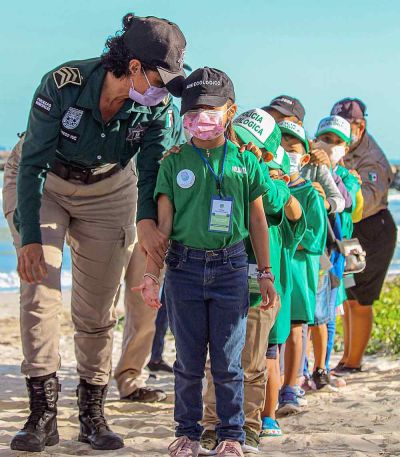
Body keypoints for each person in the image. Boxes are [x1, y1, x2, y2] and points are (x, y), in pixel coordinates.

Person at [7, 13, 187, 452]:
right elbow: (32, 163)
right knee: (39, 292)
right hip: (44, 180)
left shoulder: (159, 106)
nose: (164, 90)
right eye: (159, 78)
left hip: (110, 189)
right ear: (132, 67)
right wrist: (30, 235)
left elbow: (152, 172)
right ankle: (42, 415)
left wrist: (148, 227)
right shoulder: (63, 83)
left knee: (97, 306)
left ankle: (92, 415)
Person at [135, 67, 277, 457]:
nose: (202, 120)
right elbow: (162, 228)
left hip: (231, 268)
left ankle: (232, 436)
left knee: (229, 363)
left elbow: (257, 220)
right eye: (193, 113)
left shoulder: (246, 163)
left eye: (211, 110)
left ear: (230, 111)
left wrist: (265, 273)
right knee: (188, 362)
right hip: (183, 268)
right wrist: (152, 274)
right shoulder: (174, 162)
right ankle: (188, 434)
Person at [199, 109, 295, 454]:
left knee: (253, 363)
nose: (237, 148)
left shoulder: (276, 184)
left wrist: (252, 168)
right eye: (236, 140)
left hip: (257, 290)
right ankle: (212, 425)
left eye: (248, 145)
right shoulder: (219, 170)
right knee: (219, 362)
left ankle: (248, 427)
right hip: (221, 281)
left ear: (267, 155)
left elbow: (271, 200)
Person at [329, 98, 397, 375]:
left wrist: (342, 188)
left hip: (373, 229)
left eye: (350, 126)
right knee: (348, 296)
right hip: (351, 231)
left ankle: (354, 362)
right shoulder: (341, 148)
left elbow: (364, 204)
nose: (344, 131)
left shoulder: (374, 159)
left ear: (362, 125)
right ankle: (346, 358)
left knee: (361, 299)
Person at [277, 120, 328, 415]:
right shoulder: (270, 186)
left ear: (305, 158)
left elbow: (313, 237)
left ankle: (291, 387)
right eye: (280, 147)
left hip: (299, 274)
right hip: (276, 273)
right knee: (273, 334)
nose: (285, 153)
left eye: (292, 148)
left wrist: (285, 237)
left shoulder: (311, 194)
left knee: (297, 329)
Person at [261, 149, 306, 437]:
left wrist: (282, 189)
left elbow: (296, 214)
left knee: (270, 353)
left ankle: (269, 414)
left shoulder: (280, 214)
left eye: (275, 174)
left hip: (274, 293)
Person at [313, 114, 363, 375]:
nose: (330, 145)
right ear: (315, 140)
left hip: (335, 254)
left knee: (330, 311)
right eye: (325, 139)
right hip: (310, 250)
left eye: (336, 142)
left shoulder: (346, 176)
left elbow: (347, 200)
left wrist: (328, 172)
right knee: (308, 313)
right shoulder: (306, 166)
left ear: (345, 148)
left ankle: (322, 369)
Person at [263, 95, 345, 214]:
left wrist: (324, 203)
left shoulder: (315, 162)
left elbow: (340, 200)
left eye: (280, 120)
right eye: (271, 119)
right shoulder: (264, 155)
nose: (275, 125)